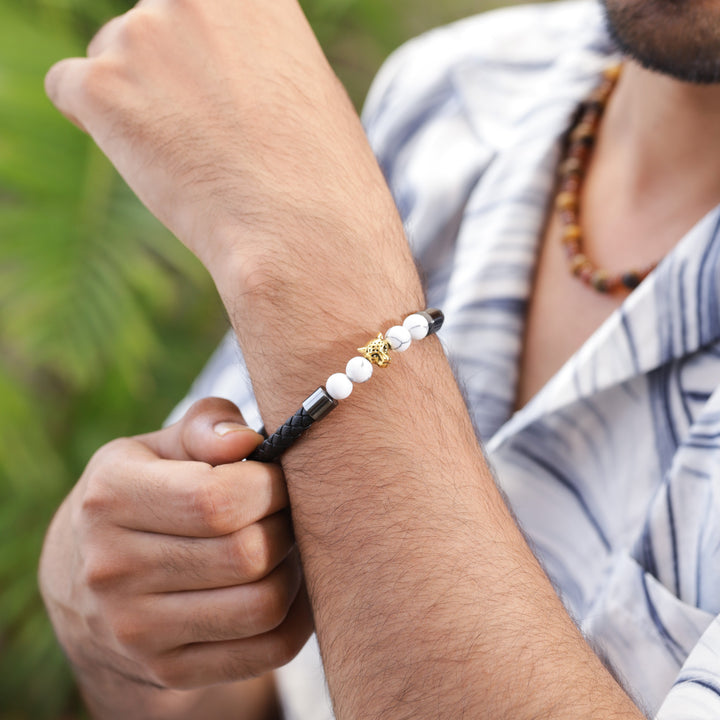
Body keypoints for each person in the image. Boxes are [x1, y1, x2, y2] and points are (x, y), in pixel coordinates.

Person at [37, 0, 720, 717]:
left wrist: (303, 256)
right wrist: (119, 629)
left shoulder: (319, 168)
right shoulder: (458, 86)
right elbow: (229, 686)